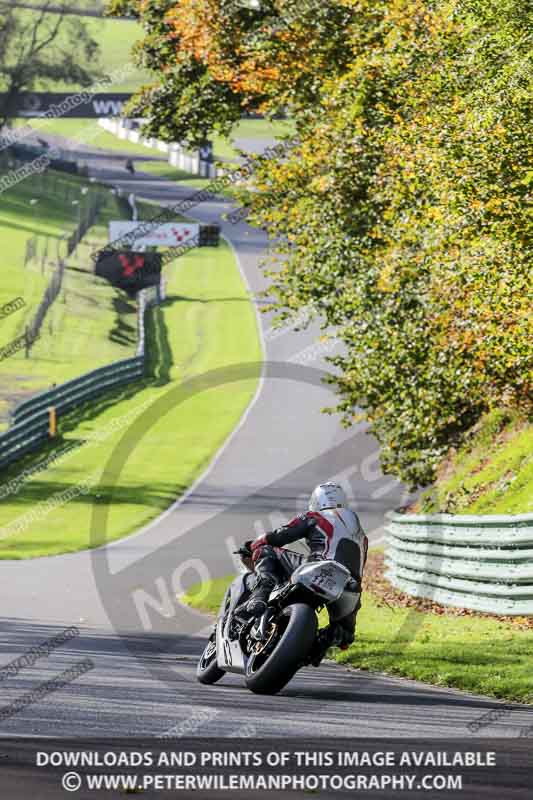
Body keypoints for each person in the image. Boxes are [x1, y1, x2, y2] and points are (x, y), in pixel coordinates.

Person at [237, 482, 368, 650]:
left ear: (317, 501)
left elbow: (281, 535)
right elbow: (360, 567)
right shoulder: (362, 536)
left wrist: (254, 544)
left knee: (266, 550)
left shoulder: (315, 516)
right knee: (344, 635)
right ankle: (324, 642)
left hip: (319, 568)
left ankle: (260, 596)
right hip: (350, 586)